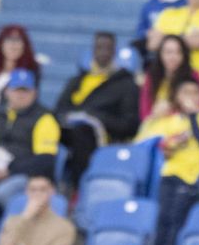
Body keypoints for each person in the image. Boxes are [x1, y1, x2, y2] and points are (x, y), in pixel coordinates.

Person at [136, 79, 199, 245]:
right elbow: (154, 143)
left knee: (176, 220)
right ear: (178, 96)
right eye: (186, 92)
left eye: (195, 93)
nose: (191, 97)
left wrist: (193, 115)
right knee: (163, 218)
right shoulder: (170, 120)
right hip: (169, 173)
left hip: (190, 177)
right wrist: (170, 143)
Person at [55, 32, 139, 185]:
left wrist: (97, 118)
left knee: (82, 133)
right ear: (93, 50)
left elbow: (130, 125)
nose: (103, 52)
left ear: (114, 52)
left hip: (103, 138)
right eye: (99, 47)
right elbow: (59, 109)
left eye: (108, 48)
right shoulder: (77, 80)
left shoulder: (126, 85)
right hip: (70, 132)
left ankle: (78, 186)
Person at [0, 69, 61, 204]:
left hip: (26, 176)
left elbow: (45, 160)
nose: (21, 95)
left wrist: (10, 170)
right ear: (7, 91)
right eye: (17, 90)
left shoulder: (44, 118)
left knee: (4, 191)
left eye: (26, 91)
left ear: (35, 93)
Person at [139, 34, 199, 120]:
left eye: (178, 52)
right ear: (160, 54)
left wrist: (171, 111)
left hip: (184, 124)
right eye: (168, 52)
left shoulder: (193, 76)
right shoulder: (152, 76)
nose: (173, 57)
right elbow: (144, 114)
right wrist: (155, 115)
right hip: (156, 124)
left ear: (184, 55)